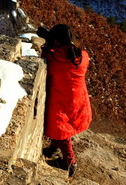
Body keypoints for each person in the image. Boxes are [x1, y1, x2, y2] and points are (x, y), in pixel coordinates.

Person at [37, 23, 92, 178]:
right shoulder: (83, 56)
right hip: (78, 98)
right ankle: (53, 148)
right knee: (65, 125)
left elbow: (46, 61)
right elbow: (67, 52)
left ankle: (69, 163)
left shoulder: (54, 59)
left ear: (56, 41)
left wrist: (48, 45)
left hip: (61, 99)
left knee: (62, 128)